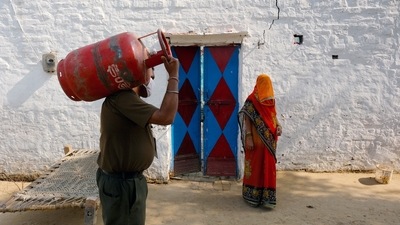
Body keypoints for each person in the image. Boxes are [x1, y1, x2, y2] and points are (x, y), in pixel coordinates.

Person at [96, 54, 180, 225]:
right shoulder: (122, 99)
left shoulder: (128, 99)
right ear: (137, 72)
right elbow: (166, 117)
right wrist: (173, 76)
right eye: (152, 70)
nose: (153, 77)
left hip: (128, 182)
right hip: (122, 185)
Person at [238, 74, 282, 209]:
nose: (268, 86)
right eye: (265, 83)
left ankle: (267, 198)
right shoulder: (252, 100)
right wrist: (249, 137)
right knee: (256, 166)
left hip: (269, 141)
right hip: (256, 141)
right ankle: (253, 196)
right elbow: (247, 119)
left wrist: (279, 126)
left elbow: (274, 116)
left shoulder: (271, 101)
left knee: (268, 167)